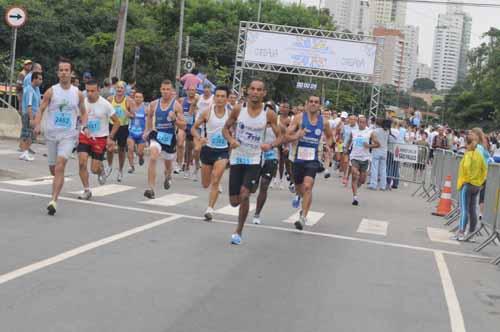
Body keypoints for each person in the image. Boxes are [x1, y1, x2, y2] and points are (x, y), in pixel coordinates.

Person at [222, 80, 282, 245]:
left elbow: (280, 136)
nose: (255, 92)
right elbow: (225, 129)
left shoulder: (268, 113)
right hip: (237, 157)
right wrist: (230, 139)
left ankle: (238, 231)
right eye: (253, 89)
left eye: (259, 90)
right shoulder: (238, 109)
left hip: (255, 159)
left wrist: (269, 145)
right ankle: (249, 190)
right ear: (247, 91)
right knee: (234, 202)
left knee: (244, 194)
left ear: (264, 93)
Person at [33, 58, 87, 215]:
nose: (64, 73)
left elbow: (83, 112)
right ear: (58, 73)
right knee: (53, 169)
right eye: (61, 70)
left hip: (68, 136)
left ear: (71, 73)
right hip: (51, 135)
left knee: (60, 165)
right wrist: (37, 124)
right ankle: (57, 182)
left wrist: (84, 127)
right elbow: (41, 109)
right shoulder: (51, 91)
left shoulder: (77, 93)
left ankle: (53, 201)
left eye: (66, 70)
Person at [286, 95, 333, 230]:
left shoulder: (324, 122)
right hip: (297, 158)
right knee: (300, 188)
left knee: (308, 186)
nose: (313, 104)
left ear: (319, 105)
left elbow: (330, 137)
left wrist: (327, 145)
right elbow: (287, 135)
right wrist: (297, 135)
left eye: (316, 102)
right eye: (311, 102)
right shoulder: (299, 118)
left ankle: (303, 217)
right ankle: (303, 204)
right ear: (307, 103)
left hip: (313, 159)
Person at [192, 86, 231, 221]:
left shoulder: (231, 114)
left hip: (223, 150)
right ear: (214, 98)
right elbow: (193, 128)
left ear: (227, 99)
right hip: (208, 150)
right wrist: (199, 138)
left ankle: (210, 209)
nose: (220, 99)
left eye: (223, 96)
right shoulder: (207, 112)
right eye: (218, 96)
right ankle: (216, 182)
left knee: (215, 178)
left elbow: (238, 130)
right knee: (205, 183)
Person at [77, 79, 121, 199]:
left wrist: (111, 138)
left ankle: (100, 169)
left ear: (98, 90)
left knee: (94, 169)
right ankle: (86, 190)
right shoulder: (83, 103)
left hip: (100, 138)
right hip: (85, 136)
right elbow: (77, 118)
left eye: (92, 91)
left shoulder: (105, 104)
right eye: (88, 91)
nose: (90, 93)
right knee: (82, 163)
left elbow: (117, 122)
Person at [143, 80, 186, 199]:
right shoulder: (154, 104)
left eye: (168, 89)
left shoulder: (176, 105)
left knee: (168, 167)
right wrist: (148, 130)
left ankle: (168, 176)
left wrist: (174, 120)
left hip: (169, 138)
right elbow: (150, 116)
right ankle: (151, 188)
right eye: (163, 89)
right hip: (156, 135)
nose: (165, 92)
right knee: (153, 157)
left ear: (172, 91)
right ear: (160, 90)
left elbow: (184, 125)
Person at [252, 103, 283, 225]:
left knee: (264, 185)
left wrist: (273, 146)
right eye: (266, 111)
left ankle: (257, 213)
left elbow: (282, 139)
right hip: (256, 156)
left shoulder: (277, 127)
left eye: (270, 111)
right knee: (253, 187)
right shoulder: (257, 124)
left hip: (271, 157)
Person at [453, 133, 487, 241]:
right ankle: (471, 233)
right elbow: (484, 169)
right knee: (472, 209)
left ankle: (461, 232)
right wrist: (480, 181)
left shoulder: (468, 155)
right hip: (477, 185)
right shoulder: (479, 155)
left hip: (467, 185)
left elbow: (467, 167)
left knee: (464, 209)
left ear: (467, 144)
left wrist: (466, 180)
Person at [106, 81, 134, 182]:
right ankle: (109, 166)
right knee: (110, 147)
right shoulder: (110, 99)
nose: (119, 89)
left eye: (121, 88)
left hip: (123, 127)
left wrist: (129, 114)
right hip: (112, 125)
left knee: (122, 150)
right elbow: (105, 112)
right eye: (117, 87)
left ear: (125, 90)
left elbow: (133, 115)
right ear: (115, 88)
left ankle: (120, 170)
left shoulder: (128, 101)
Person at [349, 116, 380, 206]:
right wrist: (346, 149)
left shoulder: (370, 132)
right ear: (358, 122)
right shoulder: (353, 131)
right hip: (354, 157)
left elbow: (378, 144)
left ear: (366, 123)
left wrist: (369, 146)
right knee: (355, 175)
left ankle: (357, 185)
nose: (361, 124)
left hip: (365, 158)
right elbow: (349, 141)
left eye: (363, 122)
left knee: (362, 180)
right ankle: (355, 197)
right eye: (360, 122)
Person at [19, 72, 43, 161]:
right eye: (39, 79)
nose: (41, 81)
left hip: (33, 114)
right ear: (34, 79)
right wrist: (31, 118)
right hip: (29, 114)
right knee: (28, 134)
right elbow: (29, 105)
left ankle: (24, 152)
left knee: (31, 134)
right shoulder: (29, 90)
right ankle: (25, 153)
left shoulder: (34, 89)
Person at [177, 85, 198, 179]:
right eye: (190, 90)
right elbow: (177, 111)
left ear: (195, 91)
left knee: (190, 149)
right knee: (180, 143)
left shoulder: (198, 102)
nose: (191, 92)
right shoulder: (182, 100)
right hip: (183, 126)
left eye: (193, 90)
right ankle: (179, 163)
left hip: (193, 127)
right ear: (187, 91)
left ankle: (187, 167)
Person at [127, 90, 147, 173]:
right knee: (130, 148)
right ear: (134, 98)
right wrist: (129, 114)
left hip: (141, 134)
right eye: (136, 97)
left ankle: (141, 157)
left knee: (139, 152)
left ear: (142, 99)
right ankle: (131, 166)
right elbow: (125, 112)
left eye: (140, 97)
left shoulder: (145, 109)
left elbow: (149, 121)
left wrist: (146, 132)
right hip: (131, 132)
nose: (138, 99)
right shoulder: (131, 107)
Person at [368, 118, 389, 190]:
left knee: (374, 168)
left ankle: (373, 184)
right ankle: (383, 185)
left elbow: (370, 137)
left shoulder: (375, 131)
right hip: (384, 151)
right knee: (383, 169)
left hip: (376, 150)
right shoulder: (387, 131)